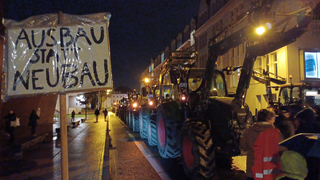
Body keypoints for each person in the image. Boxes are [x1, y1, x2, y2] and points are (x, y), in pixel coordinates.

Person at [240, 108, 285, 180]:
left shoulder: (248, 131)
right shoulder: (275, 133)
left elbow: (243, 146)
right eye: (273, 118)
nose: (274, 120)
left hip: (252, 170)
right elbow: (281, 149)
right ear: (268, 119)